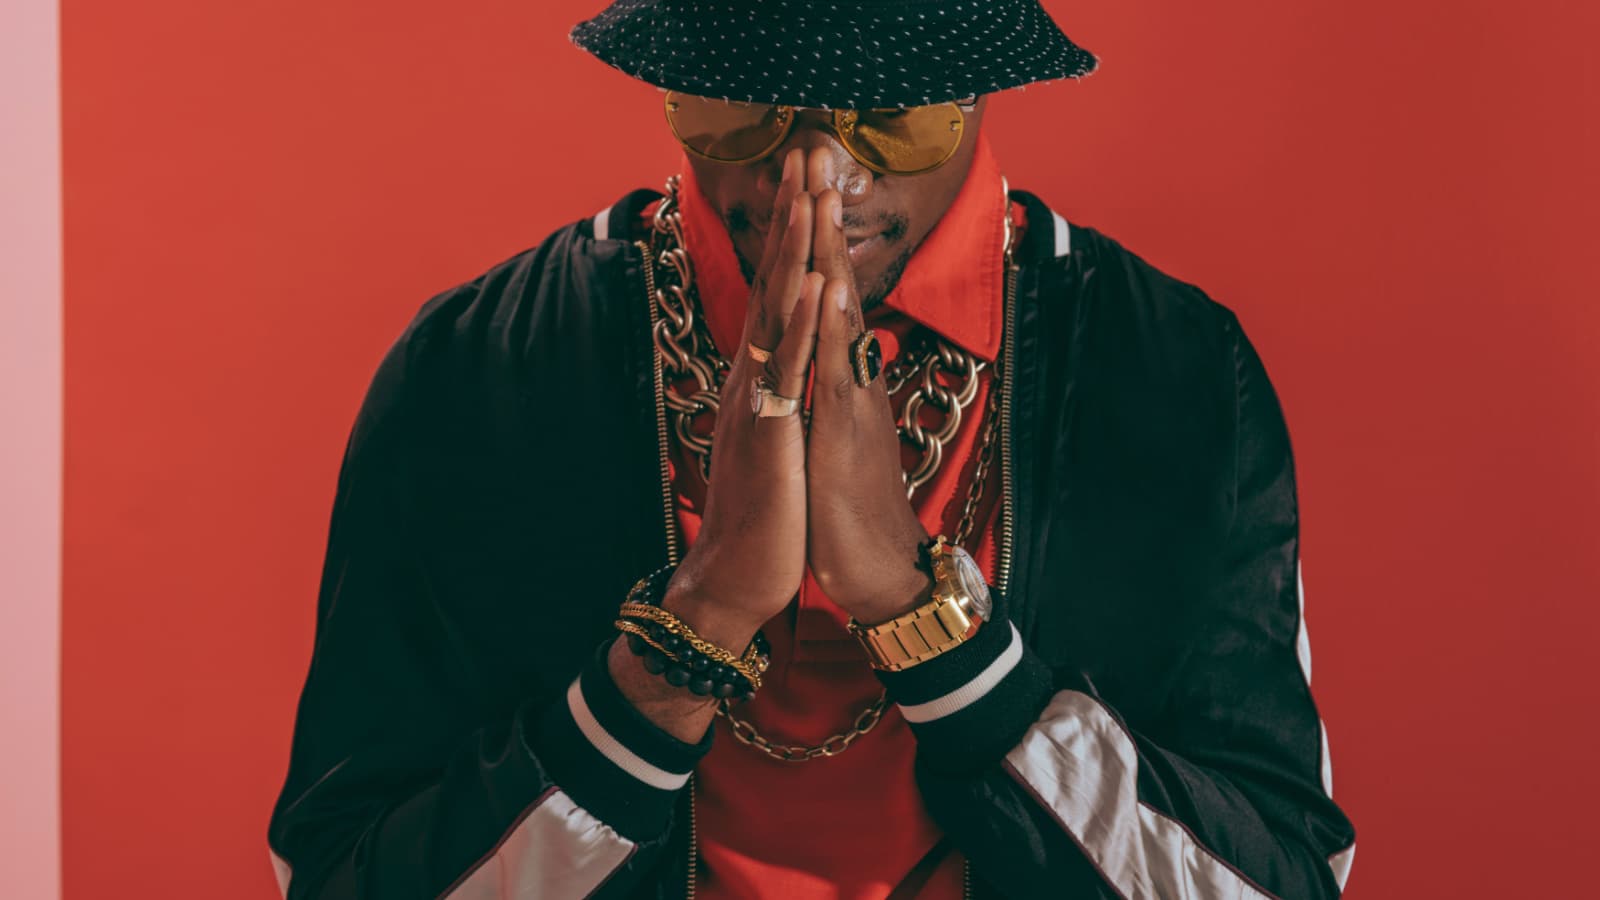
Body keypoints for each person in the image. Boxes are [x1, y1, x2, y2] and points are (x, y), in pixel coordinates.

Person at [267, 1, 1357, 897]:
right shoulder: (479, 368)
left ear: (976, 90)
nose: (820, 170)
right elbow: (340, 877)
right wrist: (694, 627)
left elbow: (1276, 880)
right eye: (742, 105)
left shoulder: (1163, 367)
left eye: (893, 112)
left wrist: (922, 618)